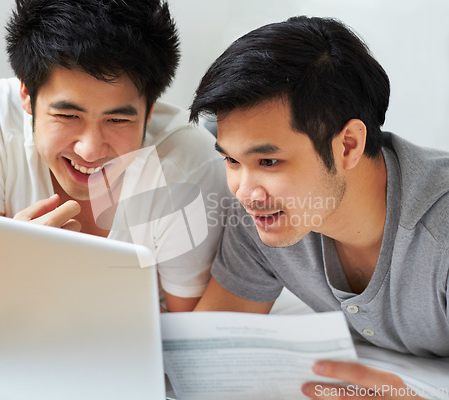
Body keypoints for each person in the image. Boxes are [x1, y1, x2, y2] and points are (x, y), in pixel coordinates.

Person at [190, 16, 449, 399]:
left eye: (269, 162)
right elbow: (203, 355)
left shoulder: (440, 236)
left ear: (348, 146)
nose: (245, 192)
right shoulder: (263, 216)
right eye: (231, 161)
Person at [0, 0, 228, 312]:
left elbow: (188, 331)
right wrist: (12, 265)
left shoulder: (190, 163)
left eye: (117, 120)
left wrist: (32, 285)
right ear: (26, 94)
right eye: (68, 115)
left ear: (149, 111)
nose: (90, 150)